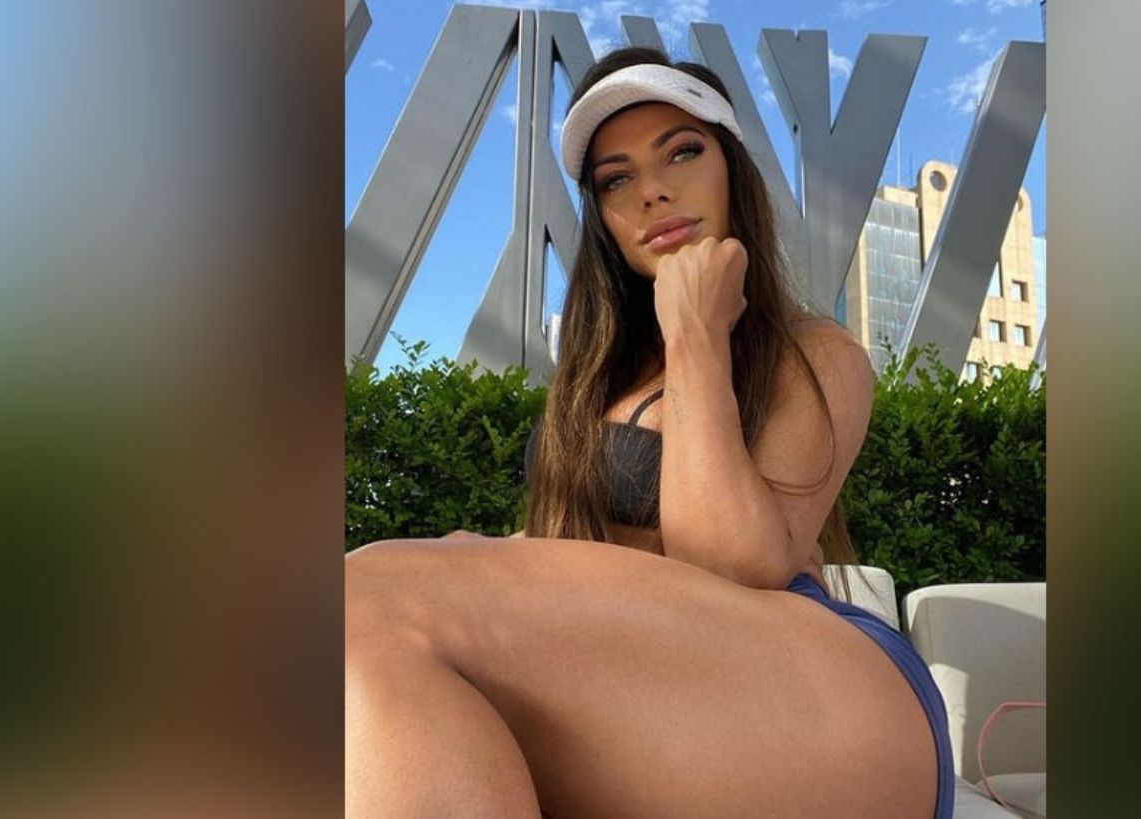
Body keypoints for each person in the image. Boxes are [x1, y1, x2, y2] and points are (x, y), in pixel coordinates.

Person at [346, 47, 953, 818]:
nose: (652, 190)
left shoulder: (815, 352)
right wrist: (489, 555)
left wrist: (696, 332)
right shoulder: (593, 381)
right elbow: (577, 573)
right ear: (602, 217)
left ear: (733, 171)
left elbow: (730, 568)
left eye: (683, 152)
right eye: (615, 179)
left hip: (815, 691)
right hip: (641, 695)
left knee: (365, 592)